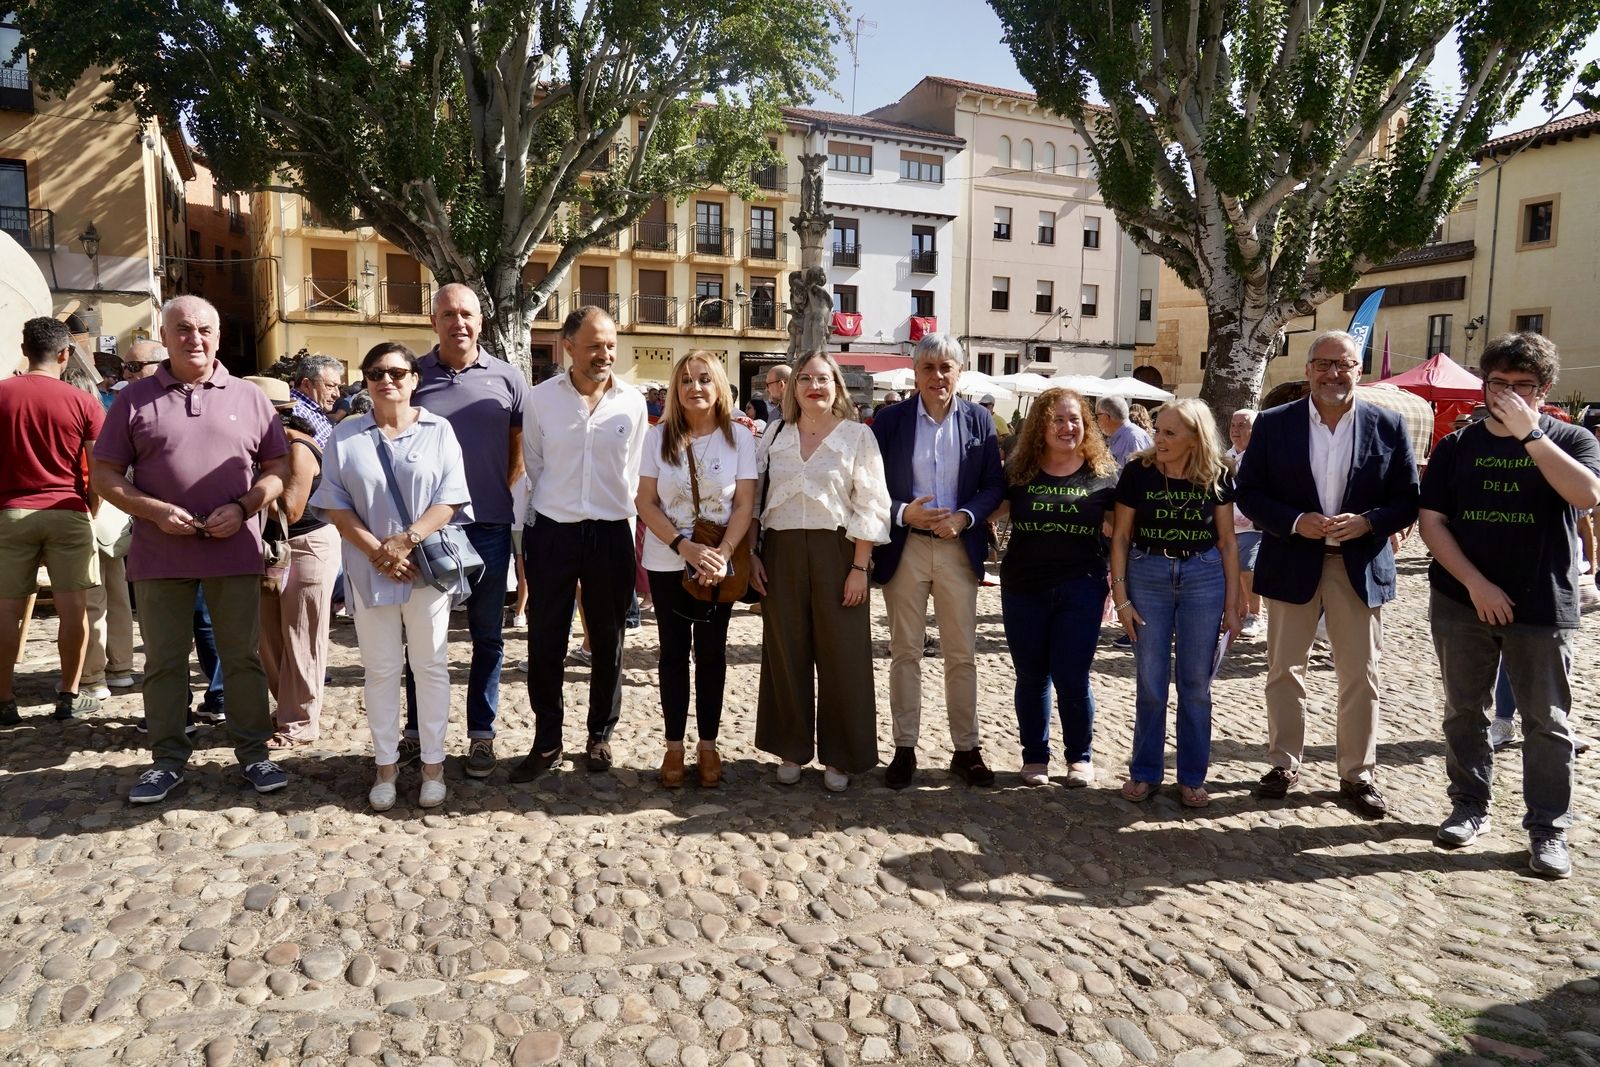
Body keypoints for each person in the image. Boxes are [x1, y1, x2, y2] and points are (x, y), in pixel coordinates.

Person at [92, 296, 291, 804]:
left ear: (218, 336)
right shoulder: (135, 399)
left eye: (204, 328)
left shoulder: (250, 398)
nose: (194, 338)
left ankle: (254, 754)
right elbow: (105, 475)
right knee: (163, 661)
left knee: (242, 659)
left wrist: (246, 506)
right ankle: (167, 760)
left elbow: (279, 469)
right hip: (159, 556)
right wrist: (154, 511)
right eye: (182, 329)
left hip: (234, 550)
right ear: (165, 334)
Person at [1422, 332, 1600, 879]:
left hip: (1542, 603)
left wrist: (1531, 435)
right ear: (1484, 384)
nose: (1508, 394)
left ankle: (1548, 829)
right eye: (1499, 383)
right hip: (1461, 600)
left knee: (1547, 723)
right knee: (1463, 711)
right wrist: (1476, 584)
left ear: (1544, 391)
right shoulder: (1457, 445)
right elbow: (1433, 523)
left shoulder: (1570, 438)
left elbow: (1586, 496)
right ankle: (1469, 805)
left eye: (1523, 386)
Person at [1235, 331, 1419, 819]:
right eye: (1323, 363)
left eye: (1344, 365)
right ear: (1308, 369)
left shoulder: (1388, 424)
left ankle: (1357, 774)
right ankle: (1282, 763)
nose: (1332, 373)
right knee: (1283, 669)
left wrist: (1370, 522)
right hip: (1293, 559)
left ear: (1360, 371)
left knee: (1360, 674)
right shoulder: (1274, 425)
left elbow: (1408, 498)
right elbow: (1248, 492)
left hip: (1358, 566)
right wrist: (1296, 521)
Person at [314, 343, 470, 809]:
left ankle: (433, 767)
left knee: (431, 668)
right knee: (380, 671)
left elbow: (451, 497)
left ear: (414, 379)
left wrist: (406, 541)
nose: (388, 380)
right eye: (377, 372)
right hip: (368, 571)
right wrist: (379, 552)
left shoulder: (439, 430)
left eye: (398, 372)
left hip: (423, 569)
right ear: (365, 380)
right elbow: (335, 503)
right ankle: (385, 766)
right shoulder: (346, 435)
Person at [509, 306, 647, 782]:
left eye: (610, 344)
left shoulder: (632, 402)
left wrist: (615, 515)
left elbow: (631, 473)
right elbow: (536, 465)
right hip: (554, 530)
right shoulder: (541, 399)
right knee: (546, 638)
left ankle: (600, 736)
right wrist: (554, 513)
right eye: (594, 345)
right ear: (568, 346)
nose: (605, 354)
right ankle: (547, 741)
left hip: (611, 532)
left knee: (609, 641)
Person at [402, 283, 528, 779]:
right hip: (426, 531)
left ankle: (482, 734)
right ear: (434, 320)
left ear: (481, 320)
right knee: (422, 638)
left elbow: (519, 445)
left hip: (490, 526)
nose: (459, 322)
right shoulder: (413, 375)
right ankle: (417, 731)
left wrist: (499, 488)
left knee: (487, 636)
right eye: (448, 314)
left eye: (467, 315)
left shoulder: (508, 377)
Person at [871, 333, 1005, 789]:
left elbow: (993, 485)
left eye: (946, 367)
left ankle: (966, 749)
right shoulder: (888, 422)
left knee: (961, 654)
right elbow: (869, 486)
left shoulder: (979, 422)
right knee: (904, 651)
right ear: (915, 373)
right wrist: (901, 512)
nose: (937, 376)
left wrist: (966, 518)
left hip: (956, 548)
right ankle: (904, 748)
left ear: (959, 372)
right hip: (905, 545)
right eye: (928, 368)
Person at [753, 352, 891, 791]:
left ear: (837, 386)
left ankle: (841, 756)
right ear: (793, 388)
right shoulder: (775, 433)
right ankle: (791, 747)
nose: (814, 385)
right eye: (805, 378)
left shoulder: (856, 437)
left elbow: (871, 501)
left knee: (843, 656)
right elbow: (754, 496)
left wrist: (859, 567)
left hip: (839, 551)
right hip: (781, 549)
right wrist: (753, 554)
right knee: (785, 652)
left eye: (823, 378)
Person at [1110, 398, 1241, 807]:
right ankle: (1145, 771)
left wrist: (1233, 603)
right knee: (1150, 682)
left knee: (1196, 685)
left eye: (1170, 432)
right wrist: (1120, 595)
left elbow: (1227, 541)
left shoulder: (1217, 475)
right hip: (1148, 576)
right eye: (1159, 430)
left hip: (1203, 577)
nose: (1159, 439)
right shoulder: (1138, 471)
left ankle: (1191, 775)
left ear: (1194, 437)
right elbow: (1120, 537)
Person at [635, 351, 757, 788]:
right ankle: (673, 747)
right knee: (672, 654)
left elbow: (744, 504)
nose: (695, 387)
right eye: (685, 380)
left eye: (704, 379)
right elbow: (645, 502)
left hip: (717, 563)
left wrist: (721, 554)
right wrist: (683, 546)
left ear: (719, 385)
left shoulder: (739, 439)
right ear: (675, 389)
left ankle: (708, 744)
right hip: (670, 560)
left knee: (711, 655)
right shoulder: (659, 437)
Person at [997, 388, 1117, 787]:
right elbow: (987, 509)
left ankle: (1079, 757)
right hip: (1023, 586)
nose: (1068, 428)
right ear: (1040, 428)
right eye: (1058, 420)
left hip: (1081, 587)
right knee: (1031, 675)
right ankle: (1034, 756)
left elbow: (1121, 533)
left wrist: (1120, 586)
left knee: (1072, 676)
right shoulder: (1019, 473)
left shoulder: (1104, 476)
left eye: (1075, 420)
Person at [0, 317, 105, 724]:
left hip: (9, 512)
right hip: (67, 510)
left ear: (24, 350)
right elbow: (98, 468)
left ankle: (4, 699)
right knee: (73, 609)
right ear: (64, 354)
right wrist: (91, 508)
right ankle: (69, 694)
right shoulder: (83, 402)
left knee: (6, 611)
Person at [247, 376, 340, 748]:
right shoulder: (258, 448)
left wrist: (253, 486)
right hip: (268, 548)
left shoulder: (298, 448)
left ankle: (299, 723)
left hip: (305, 546)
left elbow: (290, 508)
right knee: (268, 641)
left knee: (302, 638)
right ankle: (287, 709)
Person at [1226, 409, 1265, 639]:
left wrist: (1253, 515)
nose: (1236, 430)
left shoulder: (1261, 457)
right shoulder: (1226, 457)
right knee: (1233, 572)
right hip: (1228, 528)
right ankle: (1241, 613)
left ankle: (1255, 615)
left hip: (1253, 527)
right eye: (1233, 425)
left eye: (1242, 425)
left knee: (1247, 570)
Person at [289, 353, 341, 447]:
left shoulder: (312, 409)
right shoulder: (296, 411)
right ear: (306, 385)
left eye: (338, 387)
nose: (337, 394)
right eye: (330, 386)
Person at [1098, 396, 1152, 469]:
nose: (1097, 420)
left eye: (1098, 415)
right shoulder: (1125, 436)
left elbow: (1139, 475)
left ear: (1106, 417)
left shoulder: (1132, 439)